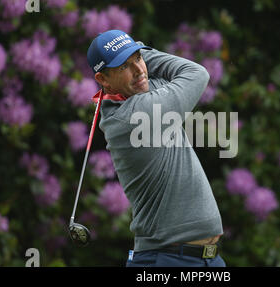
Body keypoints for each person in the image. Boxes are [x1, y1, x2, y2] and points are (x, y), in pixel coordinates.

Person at [87, 30, 225, 267]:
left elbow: (158, 76)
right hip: (167, 261)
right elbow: (196, 74)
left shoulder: (141, 92)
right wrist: (140, 49)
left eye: (139, 59)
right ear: (103, 80)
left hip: (204, 260)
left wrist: (130, 52)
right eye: (123, 67)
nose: (139, 70)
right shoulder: (133, 116)